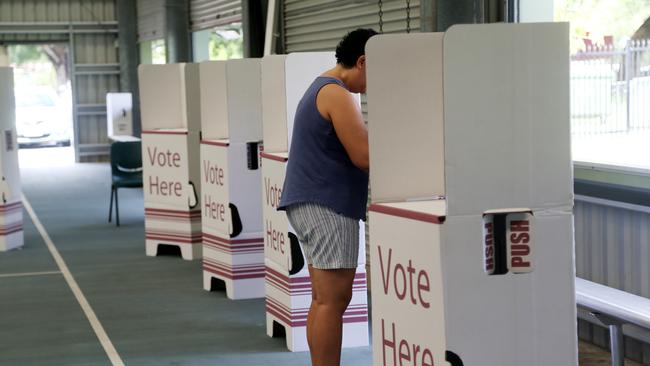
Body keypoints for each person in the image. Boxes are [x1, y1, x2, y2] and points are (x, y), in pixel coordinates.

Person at [278, 28, 377, 366]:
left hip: (312, 202)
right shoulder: (336, 93)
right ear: (362, 62)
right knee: (332, 301)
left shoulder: (321, 86)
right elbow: (363, 155)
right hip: (326, 205)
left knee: (324, 300)